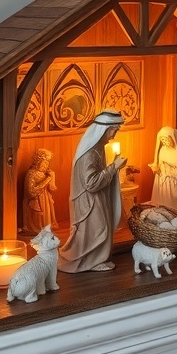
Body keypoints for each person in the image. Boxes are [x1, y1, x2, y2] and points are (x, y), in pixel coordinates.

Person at [58, 110, 127, 273]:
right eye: (113, 131)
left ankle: (96, 259)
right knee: (97, 230)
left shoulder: (98, 147)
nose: (114, 135)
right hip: (89, 201)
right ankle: (89, 260)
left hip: (96, 198)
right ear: (103, 130)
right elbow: (91, 183)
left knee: (100, 228)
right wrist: (114, 167)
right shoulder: (90, 153)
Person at [22, 148, 57, 235]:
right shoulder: (31, 173)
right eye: (44, 162)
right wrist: (47, 179)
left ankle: (45, 229)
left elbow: (52, 188)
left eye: (48, 162)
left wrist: (52, 177)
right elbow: (31, 192)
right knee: (37, 218)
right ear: (38, 162)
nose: (46, 165)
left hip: (45, 201)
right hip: (36, 201)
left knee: (45, 218)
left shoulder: (46, 174)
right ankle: (34, 230)